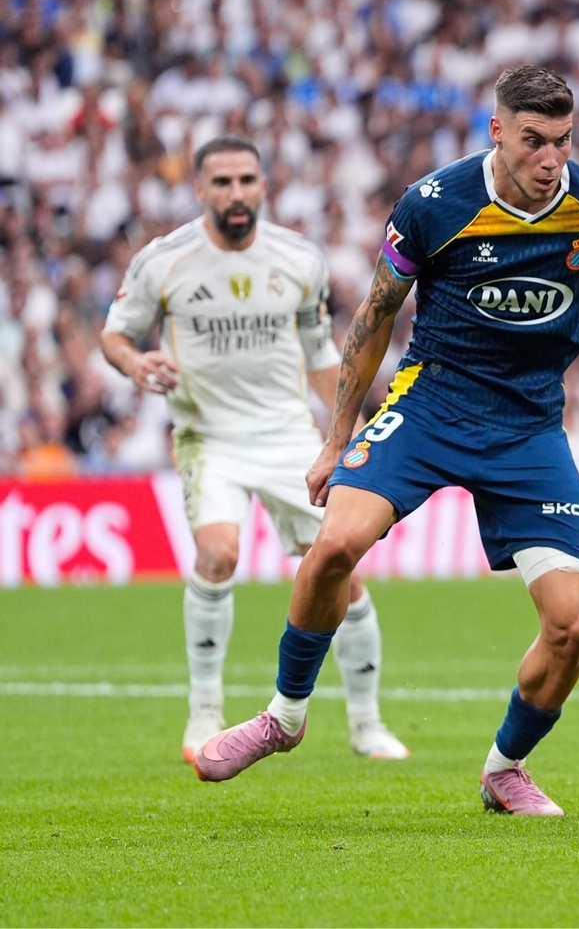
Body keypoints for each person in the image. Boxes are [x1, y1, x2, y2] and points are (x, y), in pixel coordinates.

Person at [191, 68, 579, 818]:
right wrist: (333, 440)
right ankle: (283, 715)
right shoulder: (437, 203)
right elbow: (377, 314)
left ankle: (506, 768)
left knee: (572, 626)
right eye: (534, 141)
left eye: (563, 141)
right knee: (336, 542)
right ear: (497, 132)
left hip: (530, 427)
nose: (550, 159)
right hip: (432, 405)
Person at [101, 135, 408, 765]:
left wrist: (352, 429)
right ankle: (204, 714)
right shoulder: (165, 260)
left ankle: (367, 722)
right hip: (208, 436)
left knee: (337, 569)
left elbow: (322, 355)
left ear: (264, 184)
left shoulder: (298, 258)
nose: (236, 193)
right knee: (218, 552)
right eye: (222, 182)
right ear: (200, 190)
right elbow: (114, 335)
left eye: (246, 180)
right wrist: (135, 363)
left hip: (288, 435)